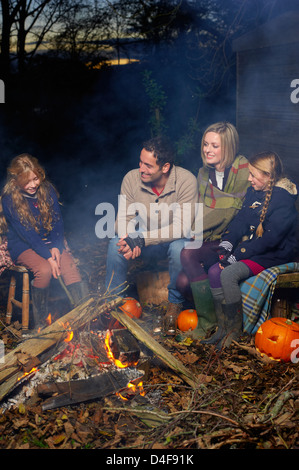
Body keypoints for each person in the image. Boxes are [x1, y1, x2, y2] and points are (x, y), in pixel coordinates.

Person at [204, 151, 298, 350]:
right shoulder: (253, 192)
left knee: (229, 273)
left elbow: (270, 241)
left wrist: (237, 255)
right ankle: (222, 328)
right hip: (256, 248)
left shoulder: (283, 201)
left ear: (269, 177)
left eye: (254, 175)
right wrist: (228, 244)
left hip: (275, 254)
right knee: (214, 271)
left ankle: (234, 332)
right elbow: (241, 221)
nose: (249, 179)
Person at [105, 135, 198, 326]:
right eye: (140, 162)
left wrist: (140, 239)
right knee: (115, 244)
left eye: (148, 166)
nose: (141, 169)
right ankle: (112, 306)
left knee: (180, 247)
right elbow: (123, 218)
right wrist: (128, 238)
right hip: (143, 243)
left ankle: (175, 304)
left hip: (171, 240)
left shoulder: (186, 180)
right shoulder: (131, 178)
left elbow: (182, 227)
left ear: (165, 167)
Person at [176, 122, 250, 337]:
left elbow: (235, 209)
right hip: (211, 237)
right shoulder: (202, 174)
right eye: (206, 144)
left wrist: (202, 221)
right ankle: (210, 322)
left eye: (215, 146)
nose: (208, 150)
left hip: (237, 239)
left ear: (229, 147)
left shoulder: (243, 169)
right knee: (181, 282)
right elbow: (200, 209)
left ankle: (213, 323)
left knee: (187, 252)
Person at [0, 154, 87, 332]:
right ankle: (41, 324)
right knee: (45, 270)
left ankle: (85, 318)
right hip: (24, 245)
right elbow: (28, 234)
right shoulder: (9, 200)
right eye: (26, 181)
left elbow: (57, 223)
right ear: (16, 181)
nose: (32, 185)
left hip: (50, 243)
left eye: (35, 178)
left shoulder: (46, 190)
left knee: (69, 266)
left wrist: (56, 246)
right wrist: (48, 257)